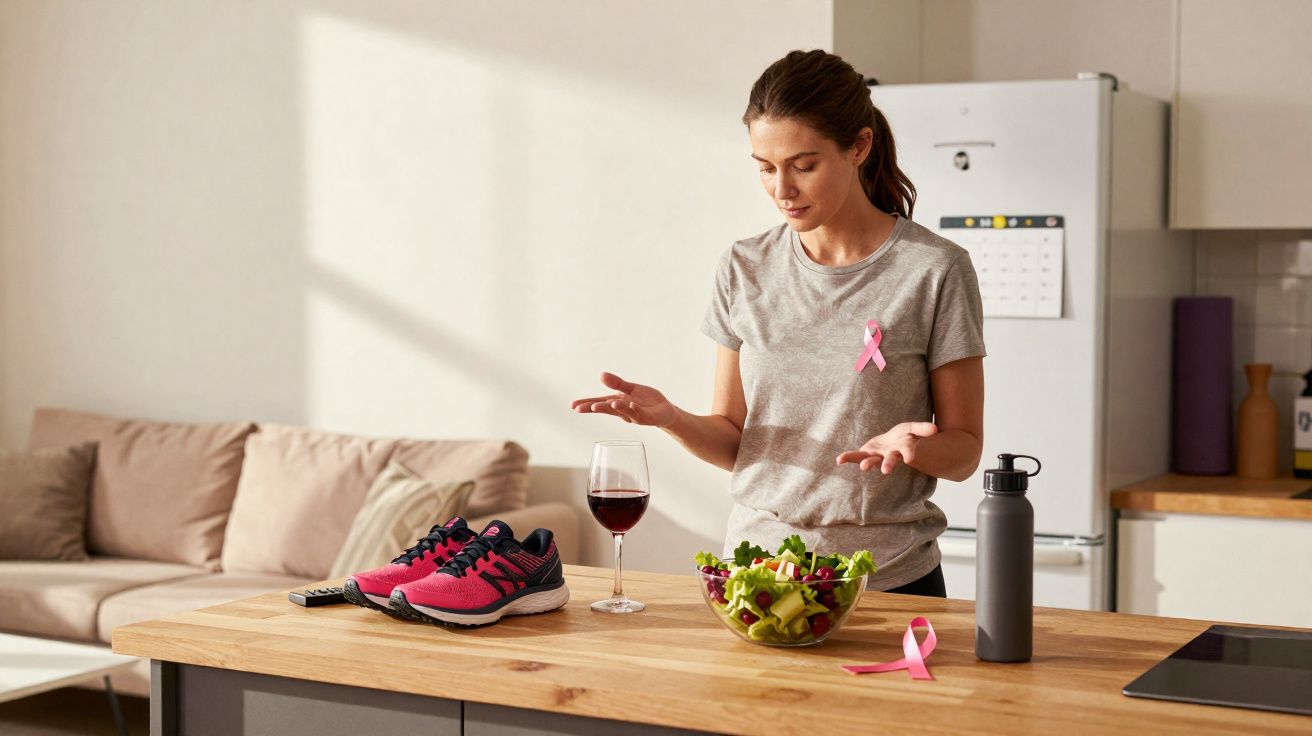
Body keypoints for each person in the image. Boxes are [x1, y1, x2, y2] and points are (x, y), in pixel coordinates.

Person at [570, 50, 985, 597]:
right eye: (765, 167)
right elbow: (734, 440)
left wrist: (914, 449)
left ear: (858, 147)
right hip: (758, 578)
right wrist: (669, 417)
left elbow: (965, 452)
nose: (781, 189)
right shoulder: (745, 267)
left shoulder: (933, 270)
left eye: (804, 165)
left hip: (887, 582)